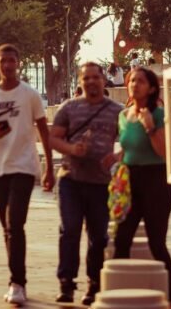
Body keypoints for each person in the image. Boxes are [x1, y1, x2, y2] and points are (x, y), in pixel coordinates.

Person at [0, 44, 54, 307]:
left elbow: (44, 131)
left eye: (11, 60)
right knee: (7, 228)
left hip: (24, 166)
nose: (7, 65)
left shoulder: (30, 95)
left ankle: (17, 283)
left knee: (15, 224)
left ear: (18, 62)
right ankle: (16, 280)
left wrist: (48, 167)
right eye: (3, 61)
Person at [49, 63, 123, 305]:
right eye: (86, 78)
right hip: (71, 180)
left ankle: (94, 283)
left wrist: (117, 156)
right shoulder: (69, 108)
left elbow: (130, 140)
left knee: (98, 236)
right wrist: (72, 149)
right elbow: (53, 138)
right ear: (80, 81)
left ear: (103, 80)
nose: (91, 82)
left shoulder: (117, 111)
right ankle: (66, 282)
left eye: (95, 77)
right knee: (69, 230)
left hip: (101, 182)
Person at [112, 67, 171, 308]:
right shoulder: (123, 115)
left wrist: (150, 127)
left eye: (140, 81)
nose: (134, 85)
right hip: (130, 181)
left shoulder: (159, 114)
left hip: (156, 181)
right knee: (121, 239)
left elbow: (164, 152)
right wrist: (115, 158)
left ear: (151, 88)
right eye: (131, 81)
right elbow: (130, 147)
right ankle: (120, 296)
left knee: (156, 243)